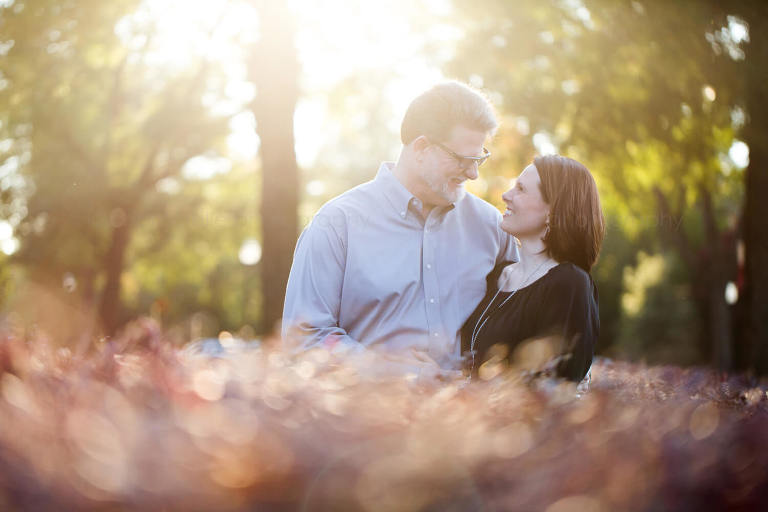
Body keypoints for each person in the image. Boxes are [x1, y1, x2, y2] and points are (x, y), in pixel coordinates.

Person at [282, 81, 519, 371]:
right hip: (367, 412)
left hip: (471, 413)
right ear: (421, 147)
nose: (472, 173)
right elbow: (303, 338)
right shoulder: (336, 225)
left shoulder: (492, 227)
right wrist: (382, 368)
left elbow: (521, 324)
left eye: (479, 158)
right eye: (461, 159)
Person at [461, 155, 605, 383]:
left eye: (520, 189)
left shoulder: (569, 283)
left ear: (552, 211)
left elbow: (557, 385)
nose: (505, 195)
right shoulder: (497, 274)